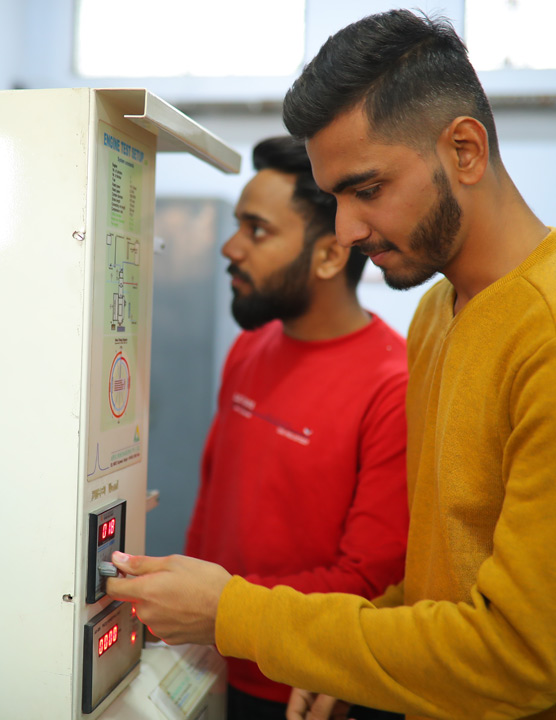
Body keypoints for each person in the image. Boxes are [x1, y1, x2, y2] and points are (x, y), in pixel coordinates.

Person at [107, 9, 556, 720]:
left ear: (465, 150)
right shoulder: (438, 315)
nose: (346, 230)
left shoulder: (544, 334)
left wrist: (236, 613)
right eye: (336, 198)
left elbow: (524, 657)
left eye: (367, 189)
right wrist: (342, 657)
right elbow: (440, 581)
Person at [185, 136, 409, 720]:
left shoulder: (394, 385)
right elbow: (211, 502)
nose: (230, 247)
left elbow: (367, 577)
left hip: (301, 688)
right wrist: (192, 623)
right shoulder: (251, 346)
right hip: (208, 662)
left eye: (257, 230)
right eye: (238, 225)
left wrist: (219, 608)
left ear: (330, 256)